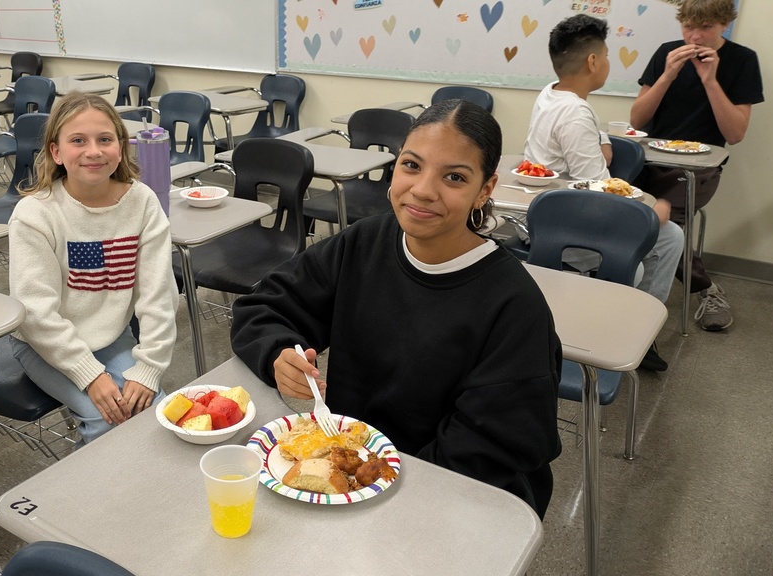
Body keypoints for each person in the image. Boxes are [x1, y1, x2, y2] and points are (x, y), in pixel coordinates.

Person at [230, 100, 563, 519]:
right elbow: (265, 306)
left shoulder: (513, 305)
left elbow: (495, 445)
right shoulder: (365, 242)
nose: (423, 189)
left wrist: (384, 490)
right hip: (351, 476)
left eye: (455, 177)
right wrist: (278, 352)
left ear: (485, 189)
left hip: (449, 499)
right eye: (411, 165)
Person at [8, 91, 179, 445]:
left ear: (121, 146)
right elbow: (36, 314)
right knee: (104, 418)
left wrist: (148, 369)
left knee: (154, 414)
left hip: (112, 337)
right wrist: (90, 376)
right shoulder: (35, 214)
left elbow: (159, 295)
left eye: (105, 139)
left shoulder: (143, 202)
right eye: (77, 141)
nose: (94, 151)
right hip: (44, 344)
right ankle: (96, 499)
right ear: (56, 152)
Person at [523, 14, 683, 371]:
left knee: (667, 232)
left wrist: (599, 147)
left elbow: (600, 154)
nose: (609, 62)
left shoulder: (552, 93)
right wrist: (652, 210)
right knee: (669, 233)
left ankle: (636, 329)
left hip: (547, 218)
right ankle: (631, 333)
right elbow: (597, 196)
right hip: (575, 230)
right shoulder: (577, 113)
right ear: (593, 61)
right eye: (607, 55)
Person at [630, 0, 763, 332]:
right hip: (649, 158)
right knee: (615, 206)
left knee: (661, 225)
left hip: (699, 169)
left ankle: (704, 288)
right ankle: (619, 278)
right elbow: (637, 120)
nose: (695, 36)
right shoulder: (667, 52)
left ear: (724, 24)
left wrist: (710, 80)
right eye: (689, 27)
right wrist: (667, 76)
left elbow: (736, 133)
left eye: (705, 28)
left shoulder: (743, 60)